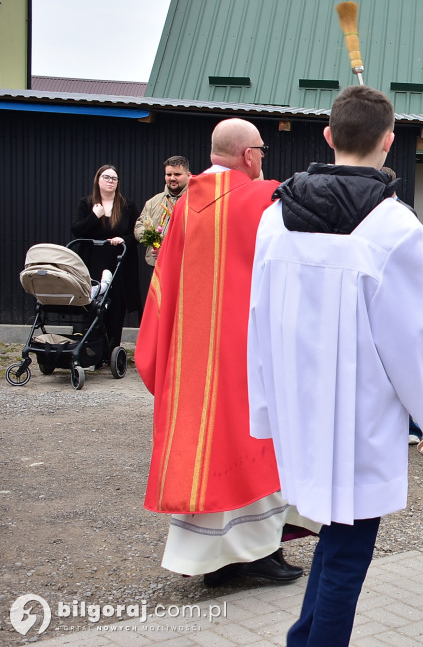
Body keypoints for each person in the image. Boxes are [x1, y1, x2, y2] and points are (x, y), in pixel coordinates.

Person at [248, 85, 423, 646]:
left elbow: (258, 320)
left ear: (327, 136)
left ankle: (304, 638)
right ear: (389, 142)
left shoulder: (275, 219)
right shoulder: (393, 229)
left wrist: (266, 403)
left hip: (301, 407)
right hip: (360, 417)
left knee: (336, 538)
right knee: (348, 550)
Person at [136, 118, 310, 587]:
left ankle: (215, 559)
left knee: (206, 454)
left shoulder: (184, 204)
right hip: (240, 356)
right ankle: (253, 555)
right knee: (249, 447)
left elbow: (162, 288)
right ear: (250, 155)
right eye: (263, 152)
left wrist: (161, 352)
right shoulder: (258, 199)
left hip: (191, 358)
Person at [71, 164, 141, 349]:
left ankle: (112, 348)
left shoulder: (127, 206)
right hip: (92, 261)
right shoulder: (86, 204)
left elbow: (136, 234)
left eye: (114, 178)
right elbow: (77, 231)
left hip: (118, 263)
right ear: (98, 180)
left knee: (116, 305)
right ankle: (90, 347)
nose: (110, 181)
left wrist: (122, 239)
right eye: (106, 177)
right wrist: (95, 216)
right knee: (92, 303)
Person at [134, 156, 190, 266]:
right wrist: (153, 239)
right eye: (169, 174)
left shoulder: (197, 201)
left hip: (185, 267)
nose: (172, 178)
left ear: (188, 175)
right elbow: (139, 226)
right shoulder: (153, 202)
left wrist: (167, 250)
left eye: (177, 174)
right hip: (156, 266)